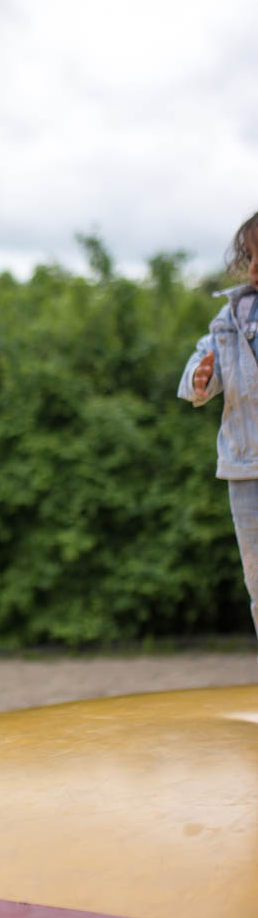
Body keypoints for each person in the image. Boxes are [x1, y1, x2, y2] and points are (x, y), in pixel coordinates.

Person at [178, 210, 258, 643]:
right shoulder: (232, 316)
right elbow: (204, 360)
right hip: (246, 467)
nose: (254, 267)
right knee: (257, 581)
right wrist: (199, 379)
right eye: (249, 256)